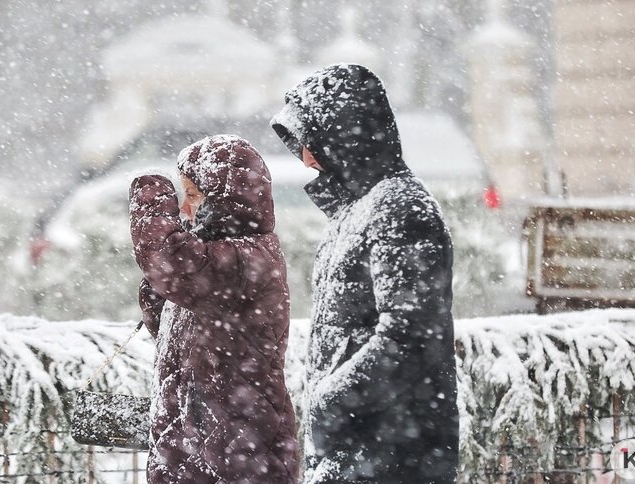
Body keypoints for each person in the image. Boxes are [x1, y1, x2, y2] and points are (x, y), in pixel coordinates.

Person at [270, 63, 459, 483]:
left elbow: (410, 335)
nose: (304, 158)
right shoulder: (353, 211)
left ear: (343, 135)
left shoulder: (400, 207)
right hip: (357, 451)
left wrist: (331, 401)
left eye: (311, 141)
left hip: (391, 455)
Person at [129, 134, 299, 484]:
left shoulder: (248, 256)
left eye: (192, 195)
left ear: (225, 201)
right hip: (195, 446)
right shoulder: (216, 255)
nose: (184, 209)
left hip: (236, 450)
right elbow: (168, 325)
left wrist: (152, 195)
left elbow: (171, 263)